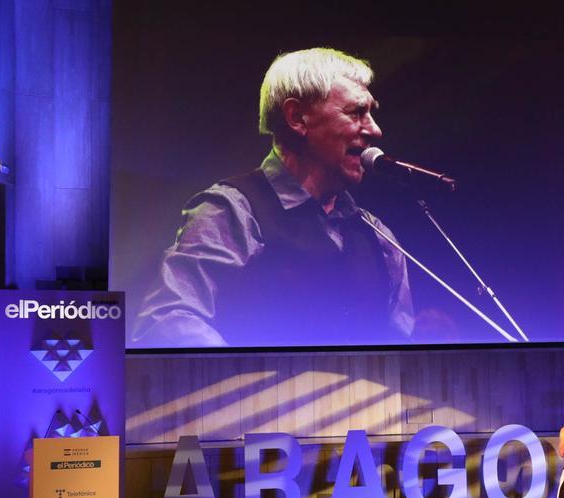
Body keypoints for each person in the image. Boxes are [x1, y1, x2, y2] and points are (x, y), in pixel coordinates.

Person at [134, 47, 414, 347]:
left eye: (372, 113)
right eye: (357, 112)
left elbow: (401, 349)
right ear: (297, 117)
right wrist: (256, 387)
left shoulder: (379, 237)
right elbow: (167, 319)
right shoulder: (233, 210)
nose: (375, 129)